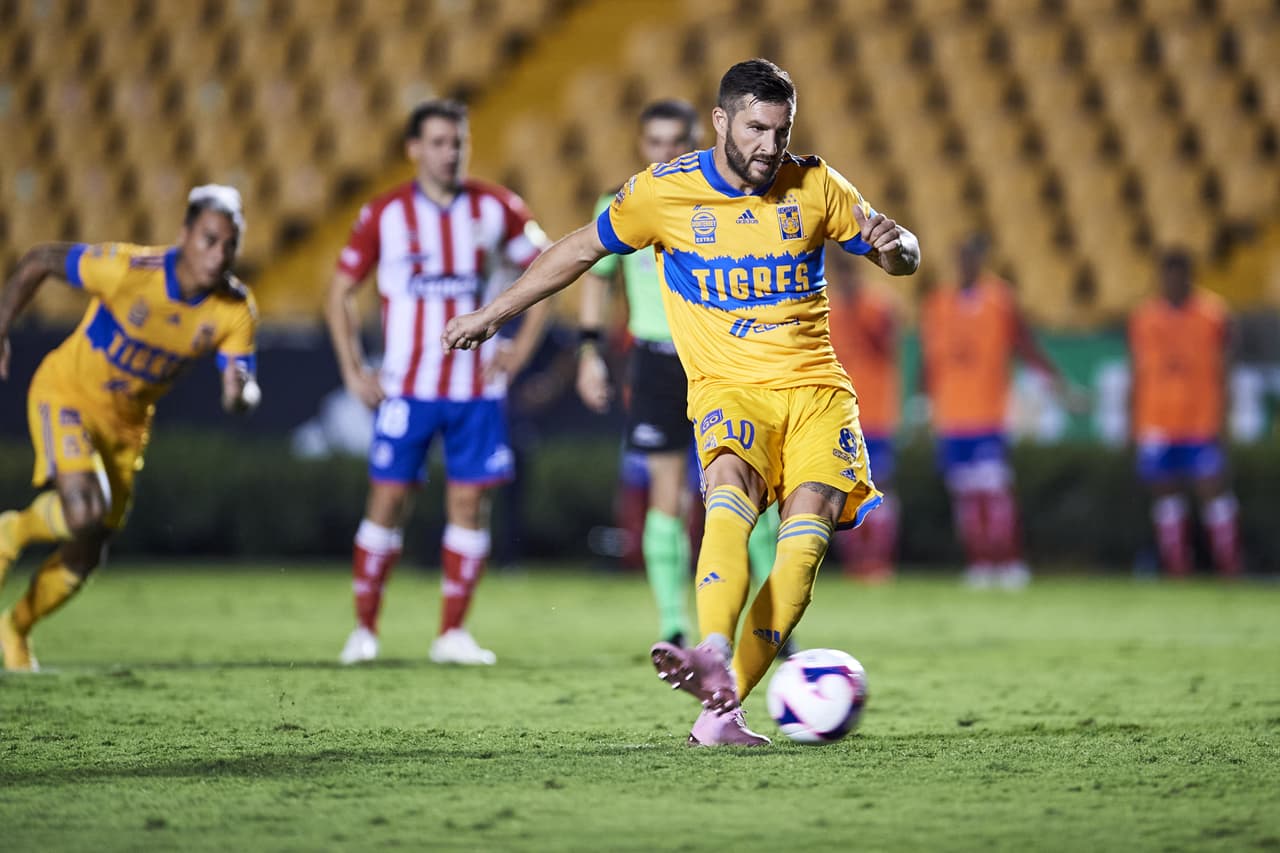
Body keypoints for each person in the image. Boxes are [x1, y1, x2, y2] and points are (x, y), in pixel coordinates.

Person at [443, 59, 920, 745]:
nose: (769, 146)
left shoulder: (815, 184)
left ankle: (721, 711)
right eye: (756, 128)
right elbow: (579, 250)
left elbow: (900, 253)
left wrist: (898, 247)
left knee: (801, 550)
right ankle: (713, 652)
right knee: (726, 492)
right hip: (728, 390)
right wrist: (496, 311)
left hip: (817, 394)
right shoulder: (664, 194)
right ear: (722, 121)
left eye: (781, 132)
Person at [0, 185, 260, 671]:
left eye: (229, 245)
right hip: (67, 395)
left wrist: (239, 393)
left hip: (126, 429)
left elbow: (241, 383)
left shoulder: (234, 309)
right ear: (184, 234)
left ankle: (15, 628)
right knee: (84, 510)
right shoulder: (126, 269)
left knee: (86, 552)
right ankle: (10, 532)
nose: (218, 254)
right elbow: (39, 259)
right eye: (209, 239)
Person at [327, 99, 549, 666]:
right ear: (414, 149)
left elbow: (549, 266)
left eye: (458, 142)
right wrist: (354, 369)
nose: (450, 153)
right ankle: (364, 630)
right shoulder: (385, 213)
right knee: (389, 500)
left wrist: (519, 350)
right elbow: (339, 292)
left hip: (476, 390)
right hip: (408, 387)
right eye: (439, 142)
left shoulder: (496, 207)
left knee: (469, 505)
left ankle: (451, 633)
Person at [576, 99, 779, 647]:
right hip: (657, 361)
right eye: (654, 142)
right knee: (669, 495)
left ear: (694, 142)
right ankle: (673, 624)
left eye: (675, 142)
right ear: (642, 146)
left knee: (747, 490)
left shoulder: (723, 198)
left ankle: (773, 620)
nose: (664, 152)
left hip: (719, 359)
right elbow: (595, 279)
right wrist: (590, 351)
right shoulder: (621, 203)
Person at [920, 235, 1069, 590]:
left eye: (972, 258)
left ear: (980, 261)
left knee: (995, 491)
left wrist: (1054, 381)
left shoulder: (1000, 300)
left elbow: (1024, 344)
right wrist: (923, 398)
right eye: (962, 258)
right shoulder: (938, 303)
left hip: (988, 413)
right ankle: (980, 562)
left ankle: (1010, 561)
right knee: (966, 495)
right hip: (952, 414)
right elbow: (929, 357)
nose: (966, 265)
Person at [1129, 250, 1239, 577]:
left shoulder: (1214, 315)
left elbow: (1226, 370)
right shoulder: (1143, 317)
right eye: (1167, 275)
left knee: (1211, 488)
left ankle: (1230, 565)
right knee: (1165, 491)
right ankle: (1177, 568)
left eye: (1178, 275)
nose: (1173, 282)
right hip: (1157, 420)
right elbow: (1136, 372)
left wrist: (1225, 419)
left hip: (1200, 420)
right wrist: (1131, 423)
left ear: (1190, 276)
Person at [826, 249, 900, 582]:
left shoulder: (878, 305)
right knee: (845, 488)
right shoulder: (826, 309)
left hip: (876, 412)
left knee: (880, 485)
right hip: (840, 415)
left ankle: (880, 561)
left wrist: (857, 308)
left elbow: (885, 346)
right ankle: (857, 563)